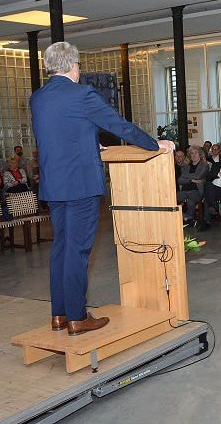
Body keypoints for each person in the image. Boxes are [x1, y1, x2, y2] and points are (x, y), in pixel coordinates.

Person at [30, 41, 167, 336]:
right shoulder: (82, 94)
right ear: (72, 65)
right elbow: (120, 126)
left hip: (54, 185)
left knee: (61, 248)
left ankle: (59, 314)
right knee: (77, 251)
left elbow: (60, 134)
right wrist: (155, 144)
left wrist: (90, 142)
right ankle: (78, 317)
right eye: (79, 65)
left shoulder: (38, 98)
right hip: (80, 185)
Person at [177, 146, 209, 226]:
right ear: (190, 155)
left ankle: (187, 219)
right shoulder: (186, 166)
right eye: (192, 153)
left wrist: (186, 176)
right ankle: (188, 218)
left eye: (196, 153)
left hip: (196, 190)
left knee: (190, 202)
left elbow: (198, 176)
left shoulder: (204, 165)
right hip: (184, 190)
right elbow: (180, 180)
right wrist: (191, 180)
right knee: (171, 201)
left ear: (200, 154)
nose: (194, 155)